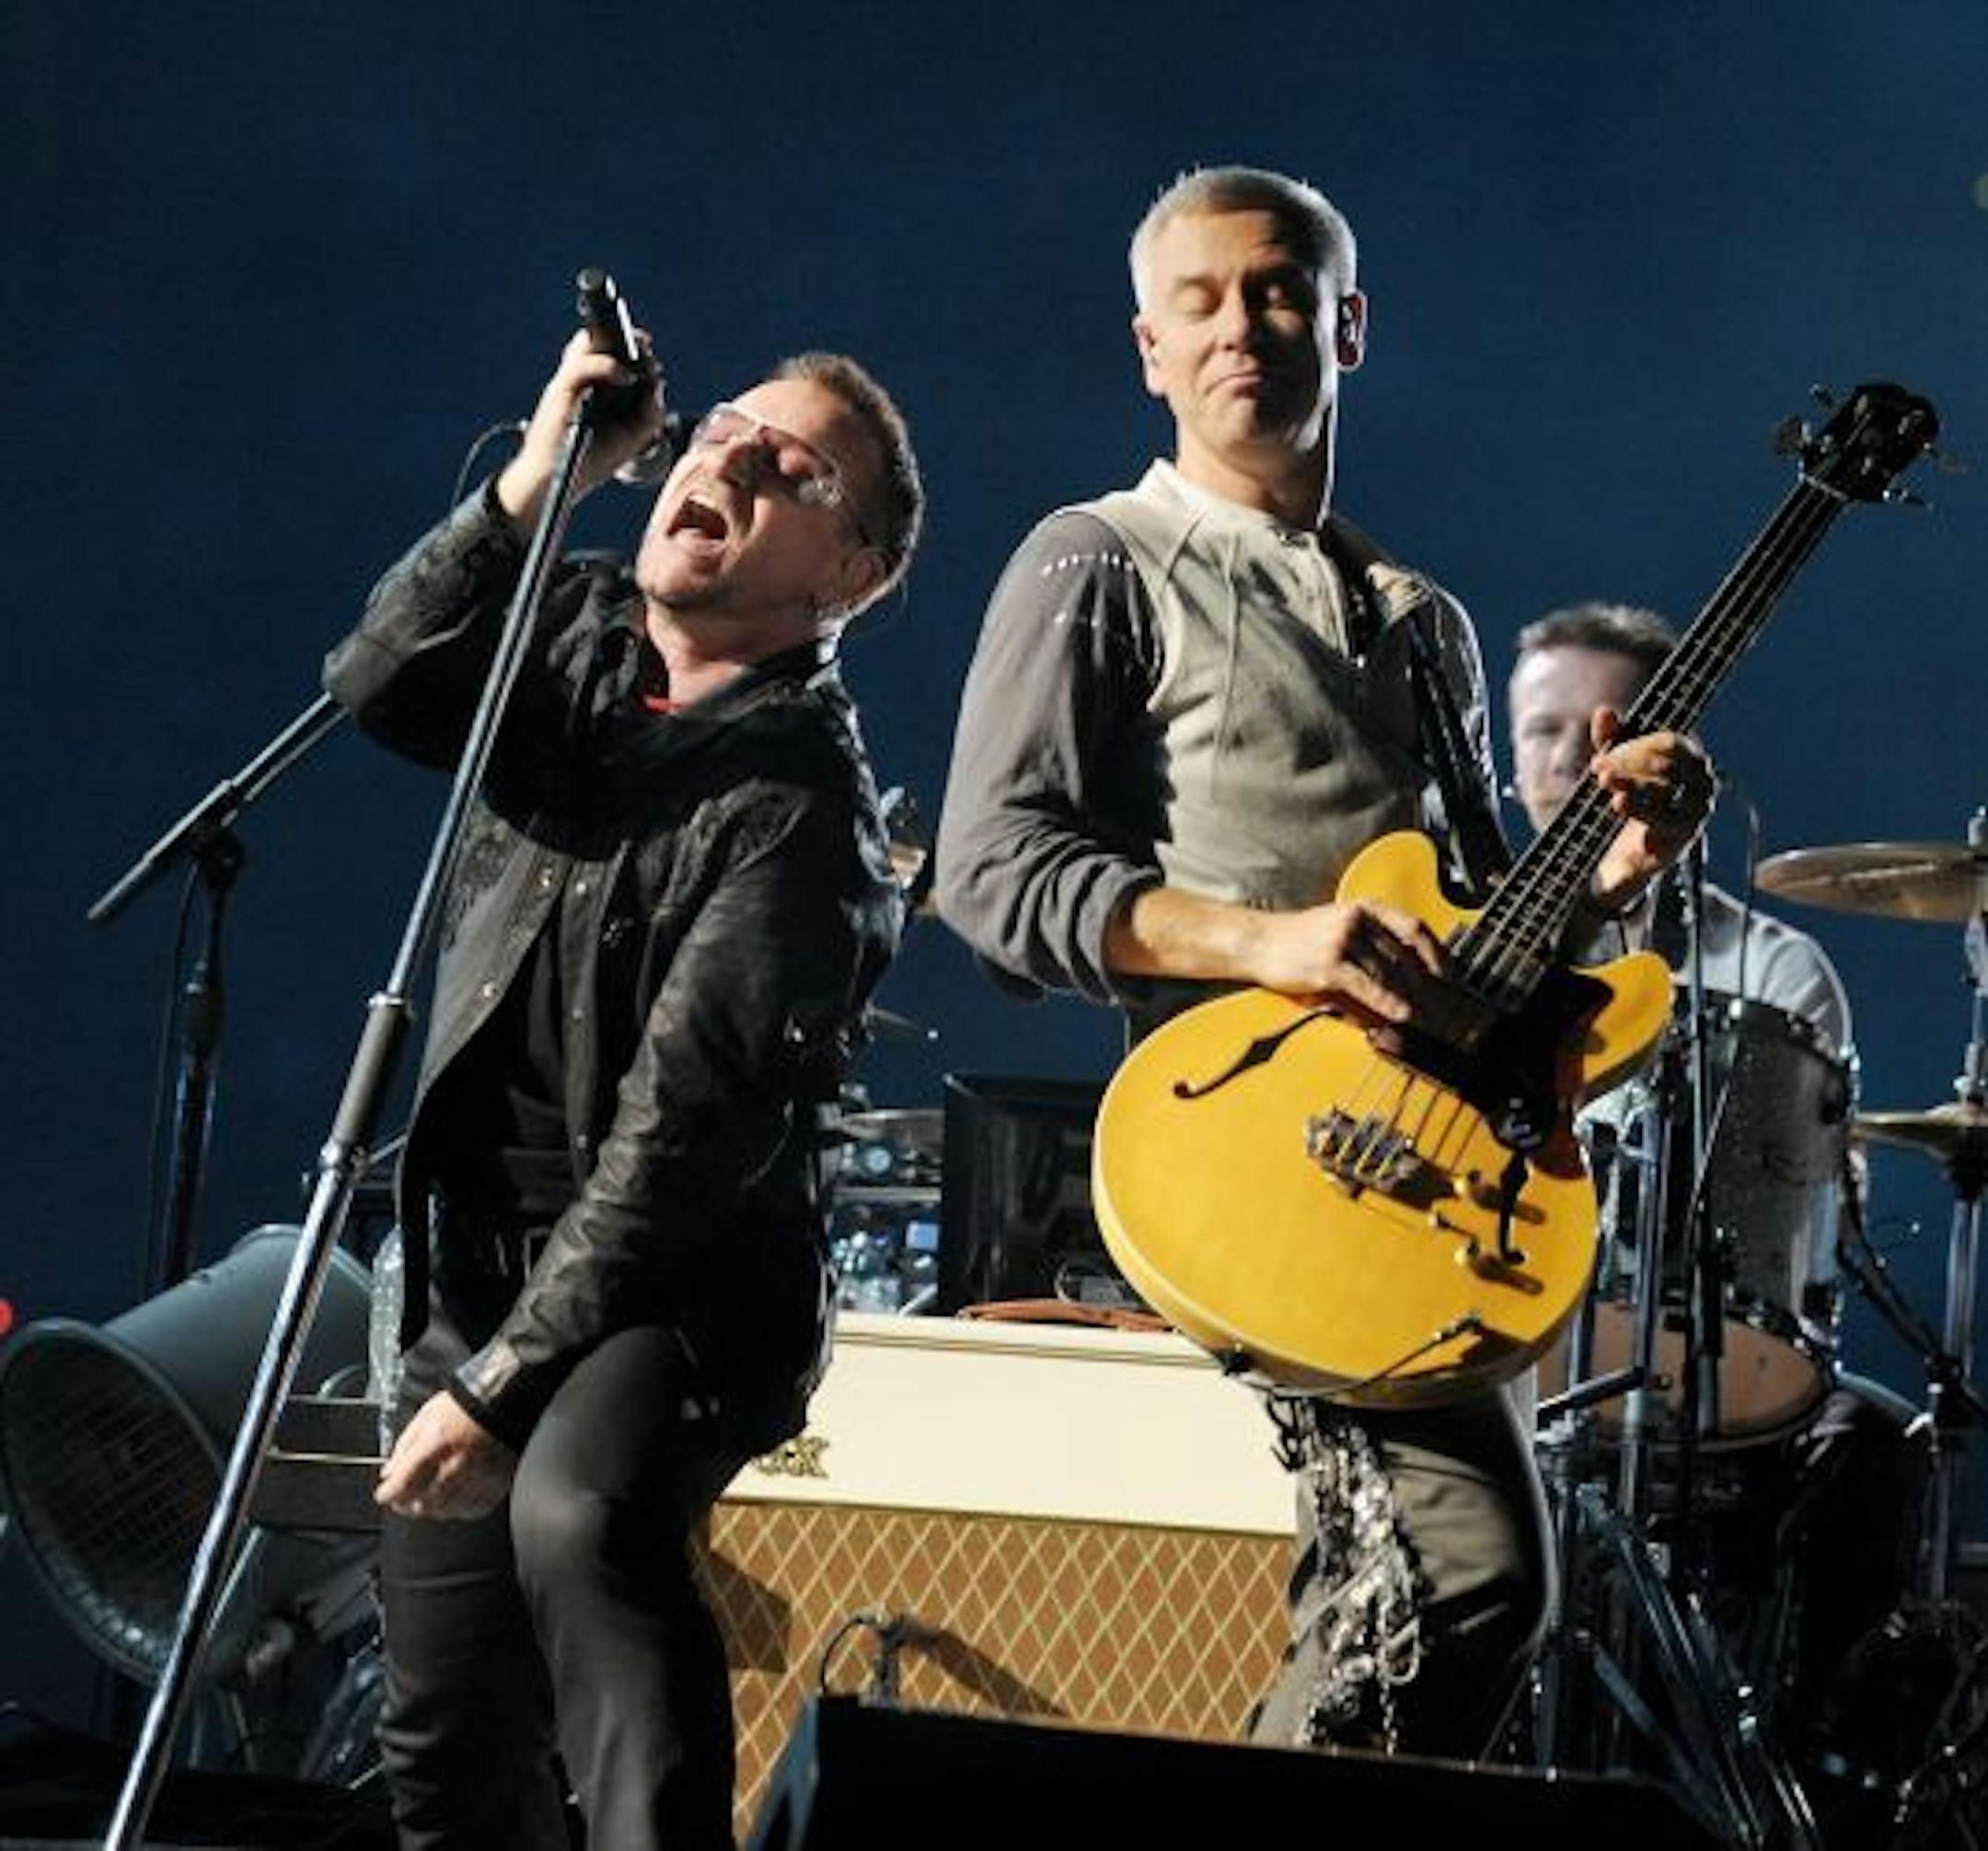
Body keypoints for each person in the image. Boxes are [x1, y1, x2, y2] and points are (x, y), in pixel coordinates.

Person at [935, 165, 1714, 1760]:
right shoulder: (1093, 558)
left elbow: (1487, 936)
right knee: (1462, 1579)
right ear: (1148, 345)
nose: (1244, 328)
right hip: (1263, 1150)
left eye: (1280, 292)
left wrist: (1614, 875)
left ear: (1346, 324)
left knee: (1468, 1596)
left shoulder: (1420, 615)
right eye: (1203, 301)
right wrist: (1273, 941)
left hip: (1428, 1183)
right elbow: (993, 872)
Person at [325, 327, 923, 1848]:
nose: (722, 458)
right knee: (443, 1742)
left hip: (682, 1281)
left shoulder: (805, 808)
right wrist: (547, 472)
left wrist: (504, 1384)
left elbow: (675, 1149)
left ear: (849, 575)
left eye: (787, 468)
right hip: (479, 1260)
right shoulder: (578, 640)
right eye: (717, 431)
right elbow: (378, 681)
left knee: (577, 1517)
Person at [1508, 600, 1921, 1806]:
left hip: (1700, 1344)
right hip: (1497, 1331)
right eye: (1540, 735)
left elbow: (1794, 1232)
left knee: (1876, 1447)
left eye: (1602, 738)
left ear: (1673, 750)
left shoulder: (1777, 972)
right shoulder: (1464, 937)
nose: (1568, 769)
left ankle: (1793, 1776)